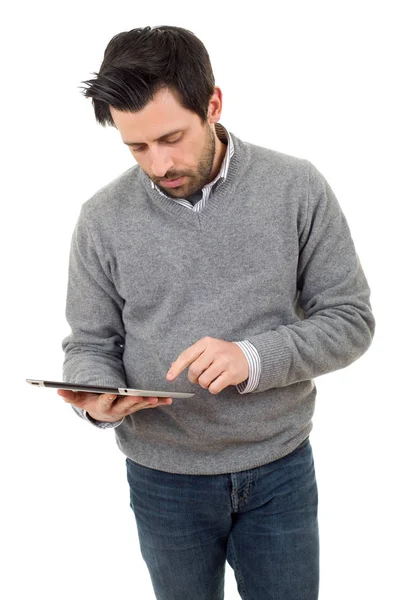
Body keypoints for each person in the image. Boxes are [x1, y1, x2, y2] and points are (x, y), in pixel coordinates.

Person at [57, 25, 375, 600]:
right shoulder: (101, 218)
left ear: (214, 104)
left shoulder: (296, 187)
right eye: (138, 147)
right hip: (163, 479)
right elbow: (90, 342)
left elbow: (350, 319)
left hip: (279, 468)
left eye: (172, 137)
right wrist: (99, 397)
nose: (159, 163)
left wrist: (253, 357)